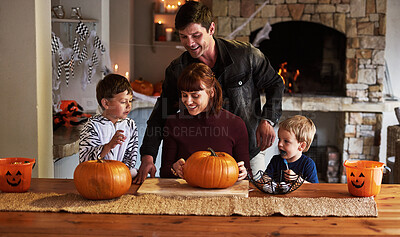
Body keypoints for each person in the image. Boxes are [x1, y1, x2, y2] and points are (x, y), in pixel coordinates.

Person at [134, 1, 284, 184]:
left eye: (196, 35)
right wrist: (148, 156)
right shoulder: (177, 70)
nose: (190, 43)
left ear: (211, 28)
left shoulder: (246, 55)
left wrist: (267, 119)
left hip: (246, 156)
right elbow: (161, 114)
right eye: (183, 37)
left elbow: (275, 83)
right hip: (198, 162)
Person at [160, 63, 249, 181]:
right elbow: (164, 171)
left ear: (211, 92)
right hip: (186, 195)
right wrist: (174, 168)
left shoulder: (236, 124)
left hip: (223, 196)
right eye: (184, 95)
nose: (188, 101)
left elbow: (248, 173)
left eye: (195, 96)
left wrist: (243, 173)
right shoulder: (174, 123)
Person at [79, 74, 139, 178]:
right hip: (97, 177)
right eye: (123, 102)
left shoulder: (130, 125)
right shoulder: (92, 126)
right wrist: (108, 146)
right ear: (106, 103)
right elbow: (86, 161)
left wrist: (120, 173)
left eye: (130, 101)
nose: (129, 105)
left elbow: (130, 157)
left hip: (120, 176)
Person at [264, 115, 318, 183]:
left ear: (301, 146)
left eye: (286, 141)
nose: (280, 144)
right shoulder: (276, 160)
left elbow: (314, 188)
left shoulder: (308, 164)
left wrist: (298, 180)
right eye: (279, 139)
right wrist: (264, 179)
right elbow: (266, 177)